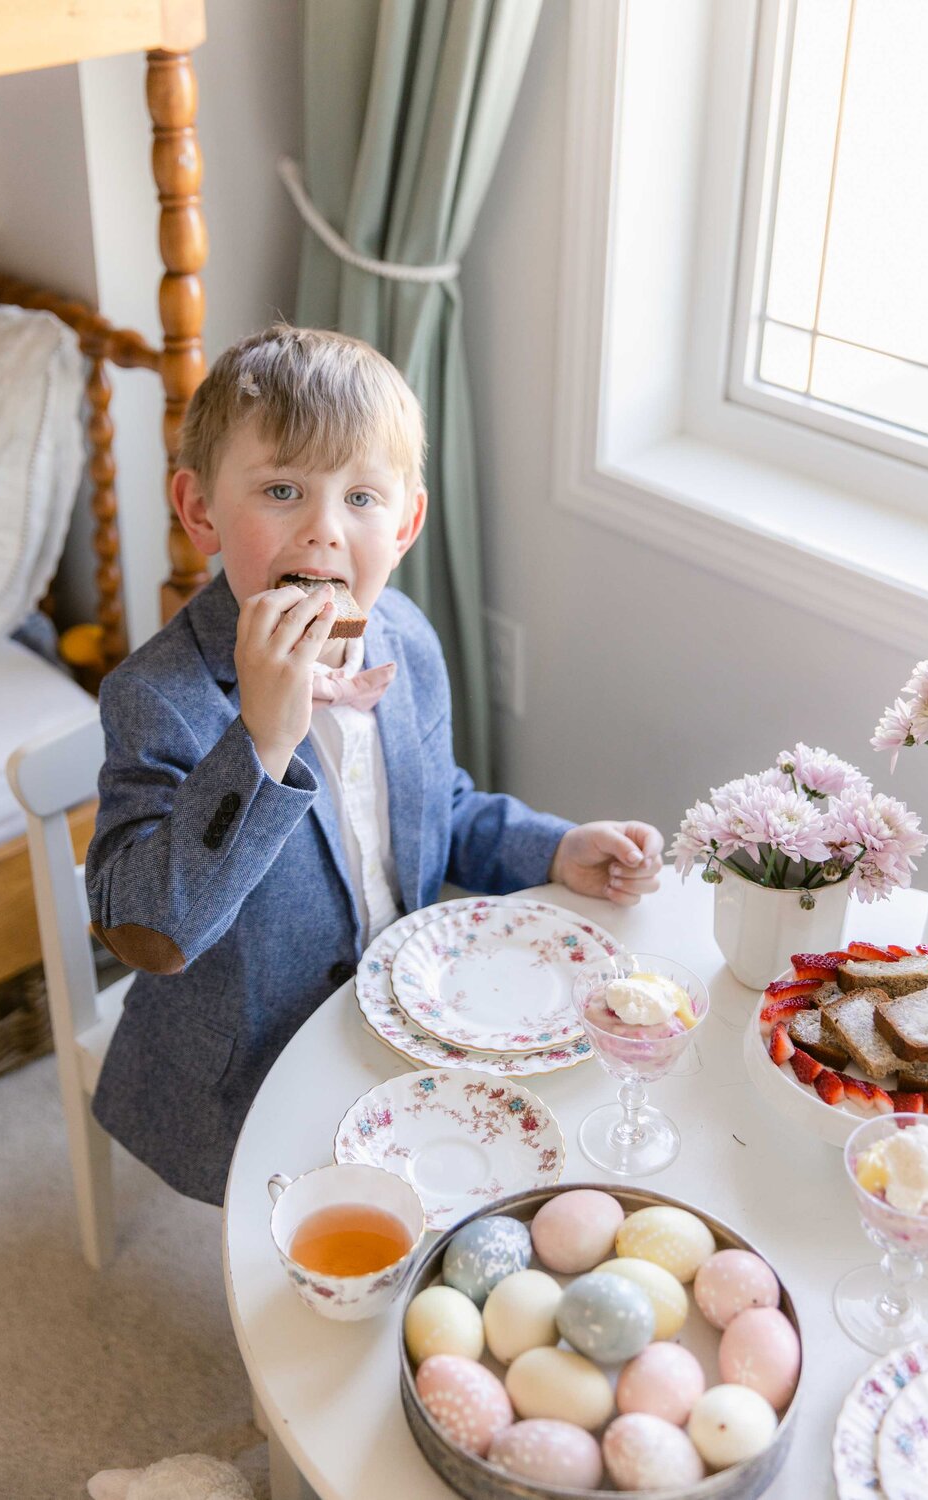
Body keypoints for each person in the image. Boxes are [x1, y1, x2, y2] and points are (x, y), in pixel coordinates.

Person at [86, 325, 663, 1205]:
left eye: (360, 497)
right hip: (248, 1069)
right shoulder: (156, 697)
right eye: (282, 490)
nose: (323, 533)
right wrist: (262, 742)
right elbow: (148, 933)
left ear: (405, 524)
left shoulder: (410, 643)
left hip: (406, 1018)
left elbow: (444, 810)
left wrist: (553, 849)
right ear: (199, 510)